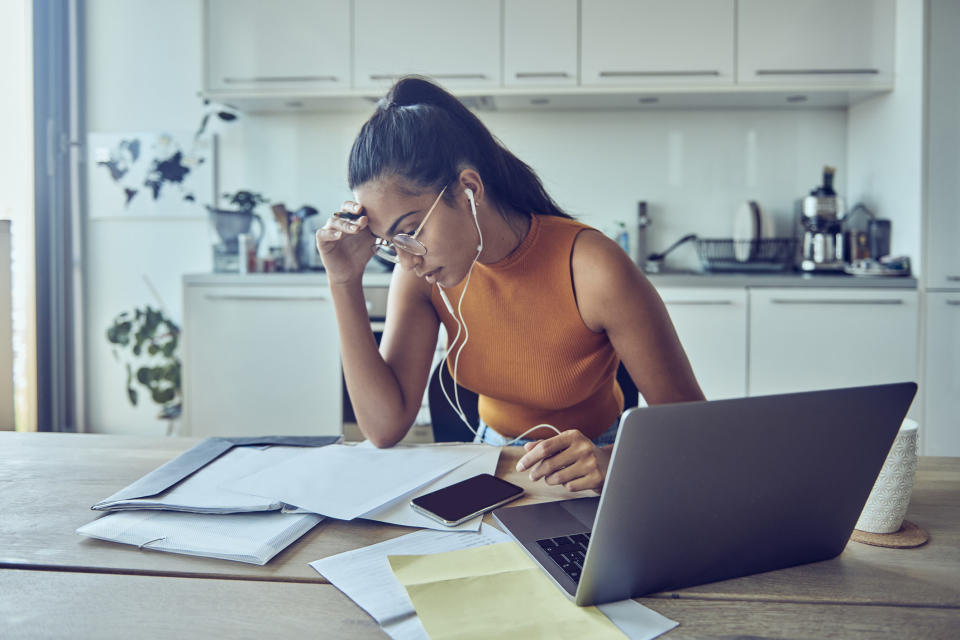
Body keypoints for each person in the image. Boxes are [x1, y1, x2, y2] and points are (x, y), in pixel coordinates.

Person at [317, 76, 704, 493]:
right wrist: (343, 280)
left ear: (469, 188)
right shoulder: (419, 276)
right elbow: (383, 427)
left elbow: (694, 430)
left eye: (411, 232)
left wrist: (610, 460)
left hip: (600, 468)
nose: (408, 260)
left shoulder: (593, 267)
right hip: (491, 461)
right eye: (392, 245)